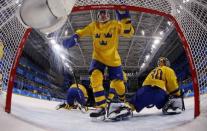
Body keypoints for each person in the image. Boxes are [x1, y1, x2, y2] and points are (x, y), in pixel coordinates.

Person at [63, 10, 134, 118]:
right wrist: (75, 36)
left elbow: (129, 33)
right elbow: (82, 31)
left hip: (113, 59)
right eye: (101, 13)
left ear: (109, 15)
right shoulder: (94, 26)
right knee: (95, 78)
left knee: (119, 84)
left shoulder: (115, 24)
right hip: (98, 58)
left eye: (105, 13)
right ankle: (101, 107)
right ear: (98, 16)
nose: (103, 15)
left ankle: (123, 100)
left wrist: (125, 20)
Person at [107, 57, 185, 120]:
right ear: (166, 63)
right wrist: (177, 94)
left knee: (131, 104)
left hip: (144, 91)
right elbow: (172, 84)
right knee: (169, 100)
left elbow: (145, 83)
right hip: (159, 93)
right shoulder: (168, 70)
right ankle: (171, 106)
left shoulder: (153, 71)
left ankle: (120, 109)